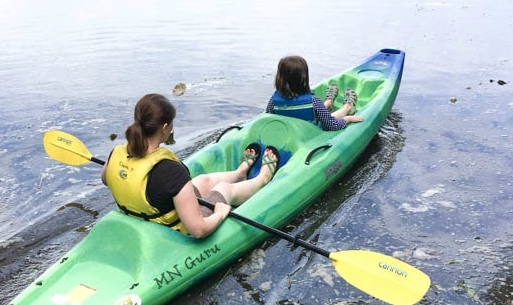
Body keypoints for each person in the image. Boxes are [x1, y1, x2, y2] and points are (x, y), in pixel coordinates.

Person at [101, 93, 279, 239]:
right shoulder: (170, 171)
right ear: (164, 127)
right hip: (170, 232)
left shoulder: (116, 153)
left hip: (143, 216)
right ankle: (263, 178)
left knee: (203, 180)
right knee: (224, 189)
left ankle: (240, 172)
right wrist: (220, 213)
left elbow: (106, 179)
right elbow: (198, 230)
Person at [266, 55, 364, 130]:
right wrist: (348, 119)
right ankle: (346, 108)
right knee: (325, 118)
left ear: (280, 78)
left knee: (319, 112)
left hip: (291, 132)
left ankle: (328, 103)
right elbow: (331, 125)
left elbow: (268, 119)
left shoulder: (273, 101)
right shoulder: (314, 102)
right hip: (310, 131)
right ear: (303, 79)